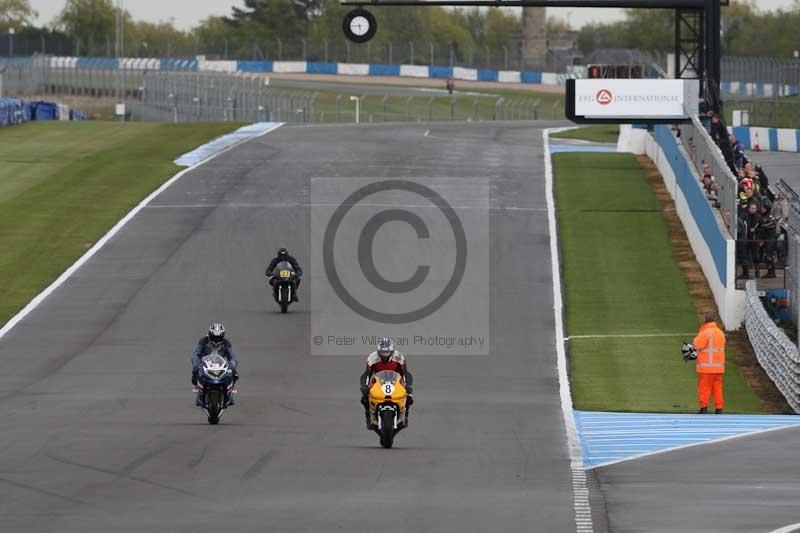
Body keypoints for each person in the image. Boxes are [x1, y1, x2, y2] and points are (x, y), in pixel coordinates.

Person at [359, 337, 414, 429]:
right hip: (378, 381)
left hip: (396, 380)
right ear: (378, 351)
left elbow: (405, 373)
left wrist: (407, 385)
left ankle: (405, 416)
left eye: (387, 352)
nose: (385, 355)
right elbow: (366, 374)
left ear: (392, 351)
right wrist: (365, 386)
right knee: (365, 398)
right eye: (382, 352)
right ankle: (368, 417)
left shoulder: (399, 357)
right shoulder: (372, 358)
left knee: (409, 397)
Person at [191, 322, 239, 406]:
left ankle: (229, 394)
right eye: (214, 337)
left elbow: (232, 357)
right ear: (210, 334)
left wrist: (232, 366)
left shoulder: (226, 343)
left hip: (220, 365)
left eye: (218, 337)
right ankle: (200, 393)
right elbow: (196, 355)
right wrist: (196, 365)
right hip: (206, 364)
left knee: (233, 373)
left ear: (222, 336)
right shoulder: (203, 341)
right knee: (196, 371)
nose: (216, 339)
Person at [691, 314, 726, 414]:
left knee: (704, 388)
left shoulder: (705, 332)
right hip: (719, 367)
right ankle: (719, 408)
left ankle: (704, 408)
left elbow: (697, 344)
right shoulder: (720, 333)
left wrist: (697, 336)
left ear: (705, 321)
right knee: (717, 388)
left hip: (706, 368)